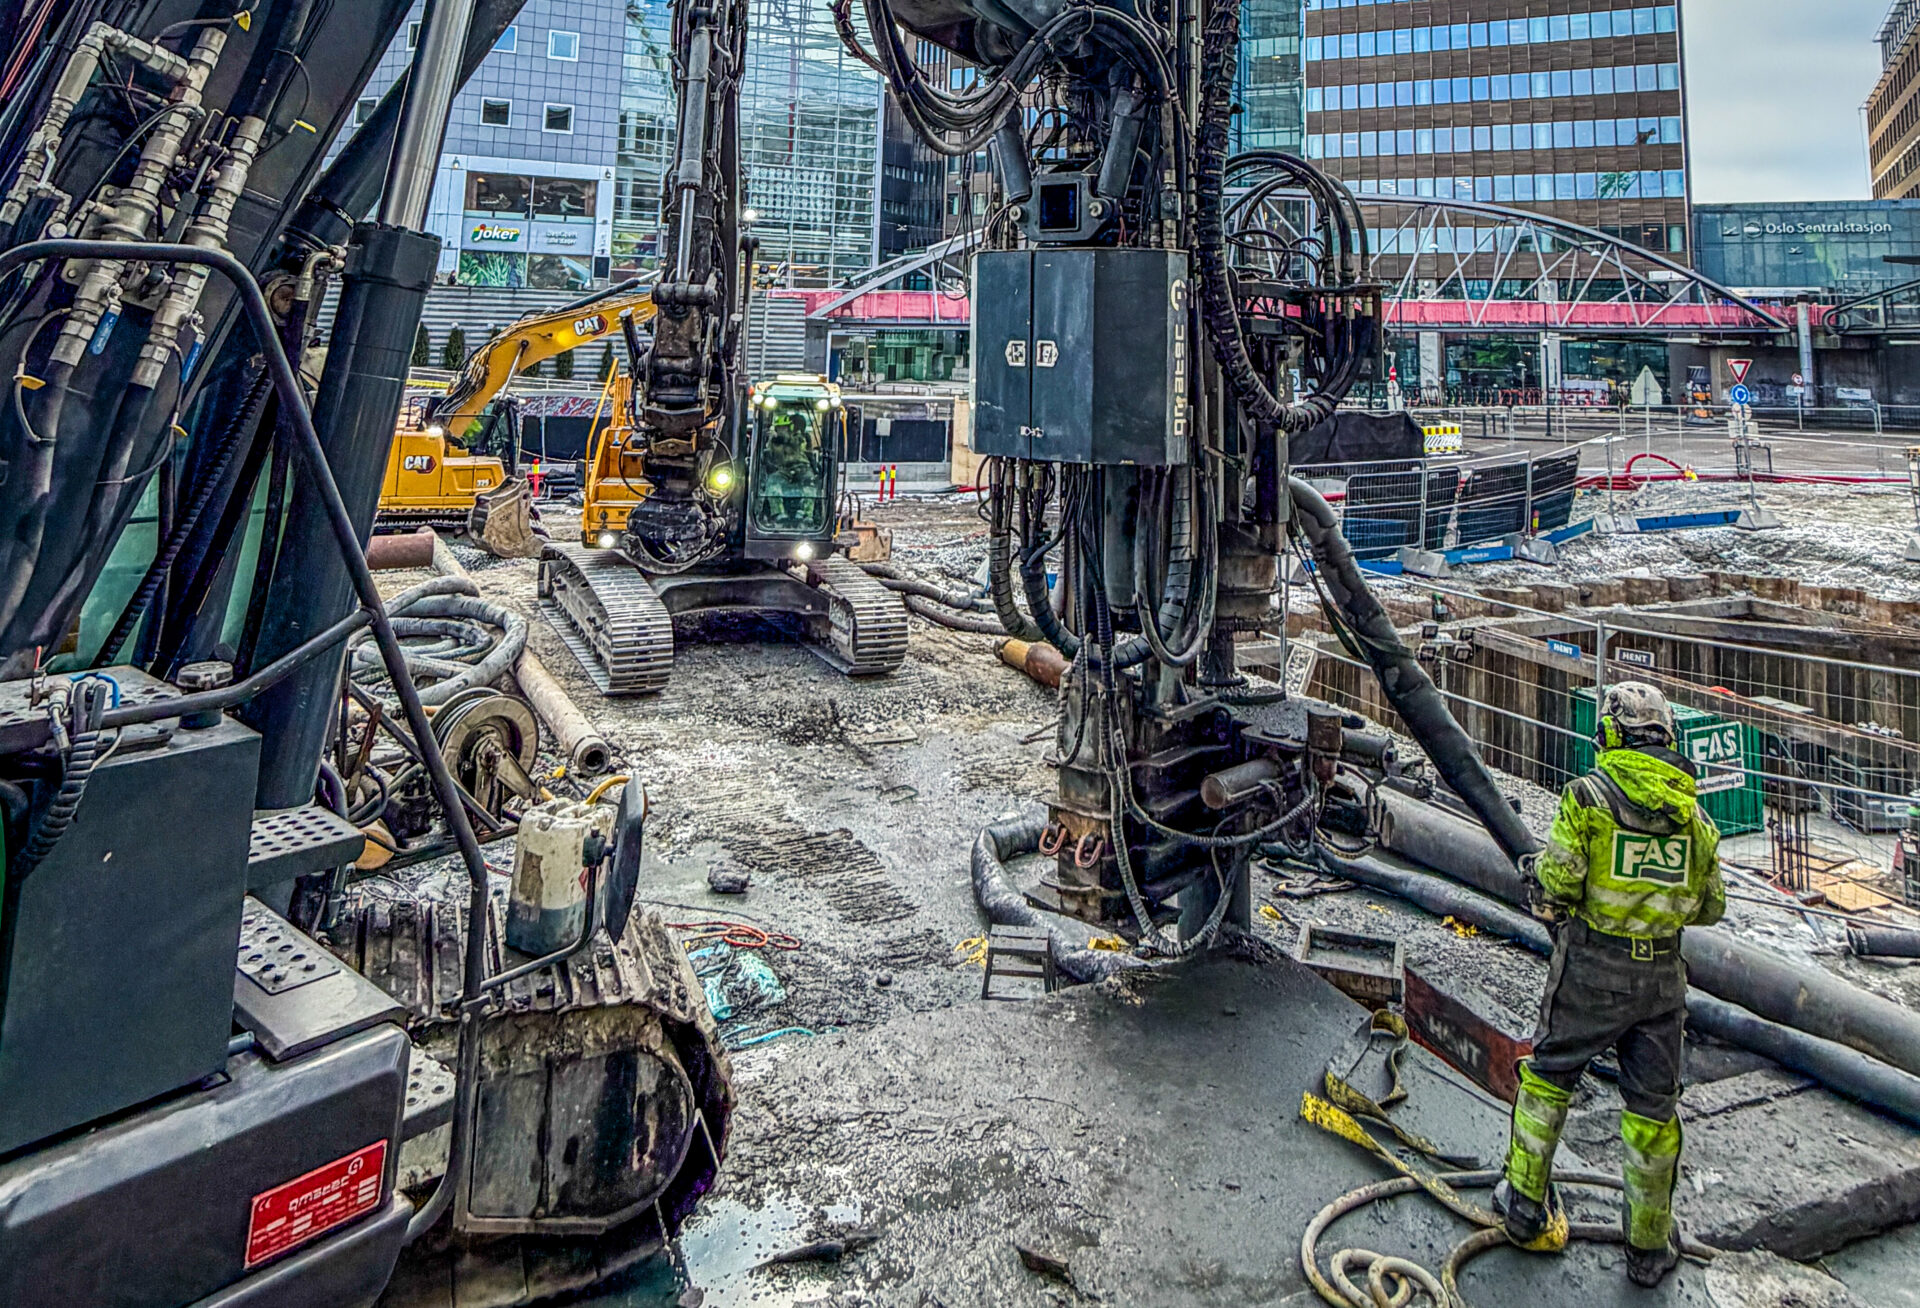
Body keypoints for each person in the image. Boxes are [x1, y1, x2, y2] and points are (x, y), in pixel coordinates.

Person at [1495, 681, 1725, 1287]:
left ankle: (1522, 1207)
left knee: (1548, 1079)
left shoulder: (1588, 797)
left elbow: (1561, 882)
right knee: (1652, 1112)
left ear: (1610, 736)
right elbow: (1709, 909)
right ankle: (1648, 1250)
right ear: (1668, 739)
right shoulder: (1695, 818)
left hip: (1592, 970)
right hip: (1661, 982)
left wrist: (1539, 878)